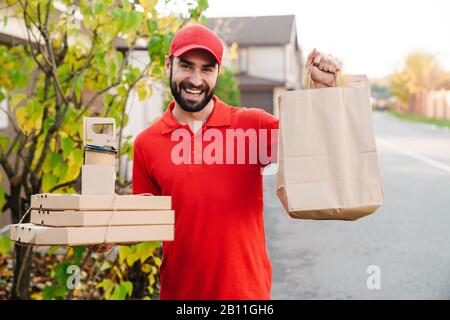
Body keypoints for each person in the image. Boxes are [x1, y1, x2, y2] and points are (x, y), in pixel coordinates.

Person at [92, 25, 343, 299]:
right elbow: (146, 222)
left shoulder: (250, 126)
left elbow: (313, 140)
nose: (195, 80)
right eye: (186, 66)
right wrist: (111, 233)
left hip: (246, 294)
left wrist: (324, 89)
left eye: (207, 69)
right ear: (169, 64)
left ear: (218, 72)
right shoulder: (147, 143)